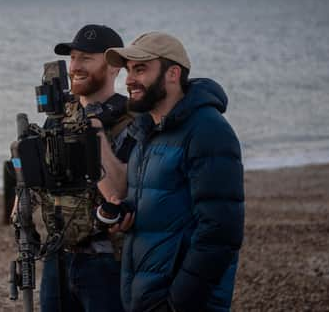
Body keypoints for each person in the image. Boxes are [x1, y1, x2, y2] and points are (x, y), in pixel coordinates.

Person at [97, 31, 245, 312]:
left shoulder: (208, 130)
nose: (129, 80)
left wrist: (178, 302)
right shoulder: (146, 132)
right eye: (128, 70)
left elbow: (221, 231)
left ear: (173, 73)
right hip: (145, 294)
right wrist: (125, 212)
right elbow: (164, 199)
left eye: (140, 69)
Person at [37, 24, 133, 312]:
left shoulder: (130, 120)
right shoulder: (59, 116)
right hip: (57, 256)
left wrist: (94, 130)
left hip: (106, 262)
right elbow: (40, 174)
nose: (75, 67)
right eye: (73, 58)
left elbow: (118, 190)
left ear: (115, 67)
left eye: (86, 59)